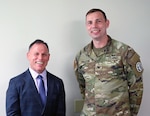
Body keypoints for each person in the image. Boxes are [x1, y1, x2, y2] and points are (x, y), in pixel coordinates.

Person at [74, 8, 144, 116]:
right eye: (90, 22)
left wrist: (132, 114)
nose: (94, 26)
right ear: (86, 26)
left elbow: (137, 87)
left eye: (99, 21)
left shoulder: (125, 52)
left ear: (107, 23)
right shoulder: (81, 56)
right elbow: (83, 86)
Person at [6, 39, 66, 116]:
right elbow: (12, 114)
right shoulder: (15, 83)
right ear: (28, 56)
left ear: (48, 57)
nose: (40, 58)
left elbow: (61, 113)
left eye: (44, 54)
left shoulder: (58, 83)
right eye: (36, 54)